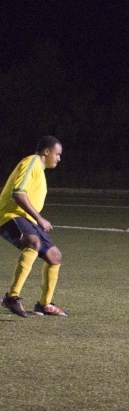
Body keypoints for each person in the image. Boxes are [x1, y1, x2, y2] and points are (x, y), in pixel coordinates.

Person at [0, 136, 67, 317]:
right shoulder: (32, 162)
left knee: (55, 256)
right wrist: (40, 219)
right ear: (46, 151)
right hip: (9, 215)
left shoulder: (39, 170)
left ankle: (44, 304)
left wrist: (35, 220)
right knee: (33, 242)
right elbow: (18, 193)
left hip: (26, 219)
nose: (59, 158)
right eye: (57, 154)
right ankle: (11, 297)